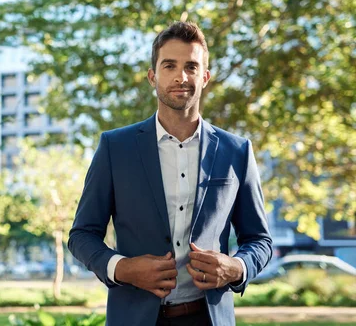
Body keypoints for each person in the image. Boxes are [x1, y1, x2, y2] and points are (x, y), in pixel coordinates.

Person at [68, 21, 272, 326]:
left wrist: (237, 267)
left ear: (205, 77)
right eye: (169, 66)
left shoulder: (237, 151)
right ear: (153, 76)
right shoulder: (115, 148)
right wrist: (121, 268)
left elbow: (259, 239)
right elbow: (82, 235)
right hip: (134, 317)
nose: (181, 76)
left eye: (191, 66)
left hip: (209, 318)